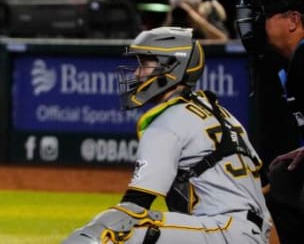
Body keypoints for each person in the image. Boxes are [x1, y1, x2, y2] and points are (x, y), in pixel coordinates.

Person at [63, 27, 271, 244]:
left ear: (171, 66)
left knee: (110, 231)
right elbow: (264, 185)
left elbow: (136, 204)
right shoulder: (221, 114)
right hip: (248, 234)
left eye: (145, 64)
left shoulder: (168, 120)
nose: (136, 73)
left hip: (223, 231)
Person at [236, 0, 304, 244]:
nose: (257, 23)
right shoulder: (295, 61)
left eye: (266, 15)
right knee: (282, 178)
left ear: (293, 20)